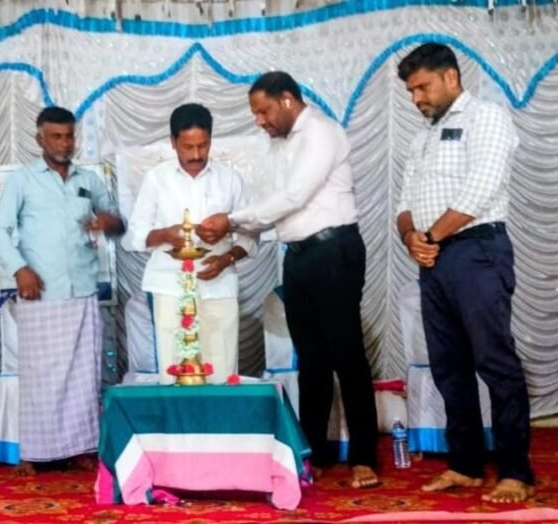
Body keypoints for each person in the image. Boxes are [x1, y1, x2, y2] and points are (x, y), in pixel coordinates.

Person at [204, 72, 380, 489]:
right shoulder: (276, 146)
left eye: (263, 111)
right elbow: (269, 206)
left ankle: (364, 458)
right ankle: (313, 453)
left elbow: (293, 197)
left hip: (334, 250)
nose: (260, 121)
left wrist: (230, 220)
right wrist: (233, 235)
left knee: (347, 355)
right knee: (311, 361)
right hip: (298, 256)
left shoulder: (321, 132)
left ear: (286, 99)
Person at [395, 43, 534, 503]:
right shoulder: (421, 137)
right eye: (411, 91)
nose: (416, 98)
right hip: (432, 259)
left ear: (451, 77)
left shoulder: (486, 117)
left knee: (495, 361)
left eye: (422, 87)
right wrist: (411, 236)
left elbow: (482, 185)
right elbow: (404, 202)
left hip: (477, 252)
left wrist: (430, 237)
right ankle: (466, 464)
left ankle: (515, 471)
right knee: (448, 366)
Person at [0, 106, 124, 476]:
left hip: (82, 291)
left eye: (69, 136)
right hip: (41, 292)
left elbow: (116, 222)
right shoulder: (22, 180)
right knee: (40, 375)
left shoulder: (89, 180)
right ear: (40, 139)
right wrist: (20, 269)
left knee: (83, 376)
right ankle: (35, 452)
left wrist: (109, 222)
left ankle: (81, 447)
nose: (64, 143)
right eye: (56, 137)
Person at [126, 103, 256, 384]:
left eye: (203, 145)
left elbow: (251, 236)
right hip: (169, 286)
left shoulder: (230, 179)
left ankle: (220, 414)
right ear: (173, 142)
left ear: (211, 140)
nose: (196, 155)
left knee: (221, 371)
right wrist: (164, 235)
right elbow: (135, 235)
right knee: (174, 371)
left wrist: (226, 259)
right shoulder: (157, 179)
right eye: (187, 147)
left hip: (219, 285)